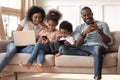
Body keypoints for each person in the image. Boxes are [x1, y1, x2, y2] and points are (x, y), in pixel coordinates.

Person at [58, 6, 113, 80]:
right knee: (62, 48)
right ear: (82, 17)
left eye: (88, 14)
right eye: (84, 15)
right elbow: (77, 44)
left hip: (98, 46)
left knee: (96, 49)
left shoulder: (103, 24)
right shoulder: (79, 28)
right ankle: (91, 54)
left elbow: (109, 42)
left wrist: (99, 31)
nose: (87, 17)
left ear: (92, 14)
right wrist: (85, 32)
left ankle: (97, 77)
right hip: (84, 47)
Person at [0, 6, 47, 72]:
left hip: (26, 48)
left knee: (38, 50)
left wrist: (44, 25)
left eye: (40, 17)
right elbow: (16, 33)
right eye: (35, 17)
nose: (37, 19)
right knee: (11, 50)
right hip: (15, 43)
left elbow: (49, 31)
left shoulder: (41, 27)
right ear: (31, 17)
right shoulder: (26, 20)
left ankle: (31, 63)